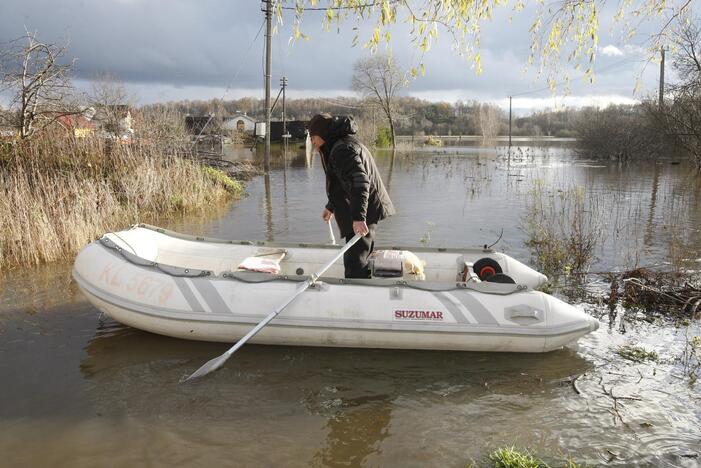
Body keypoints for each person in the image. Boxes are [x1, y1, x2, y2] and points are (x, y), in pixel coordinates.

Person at [308, 113, 395, 278]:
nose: (312, 142)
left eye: (313, 137)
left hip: (364, 211)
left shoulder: (342, 149)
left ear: (323, 134)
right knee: (356, 257)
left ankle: (358, 297)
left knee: (355, 261)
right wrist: (331, 206)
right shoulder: (338, 145)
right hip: (359, 208)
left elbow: (360, 183)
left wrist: (358, 218)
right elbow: (342, 182)